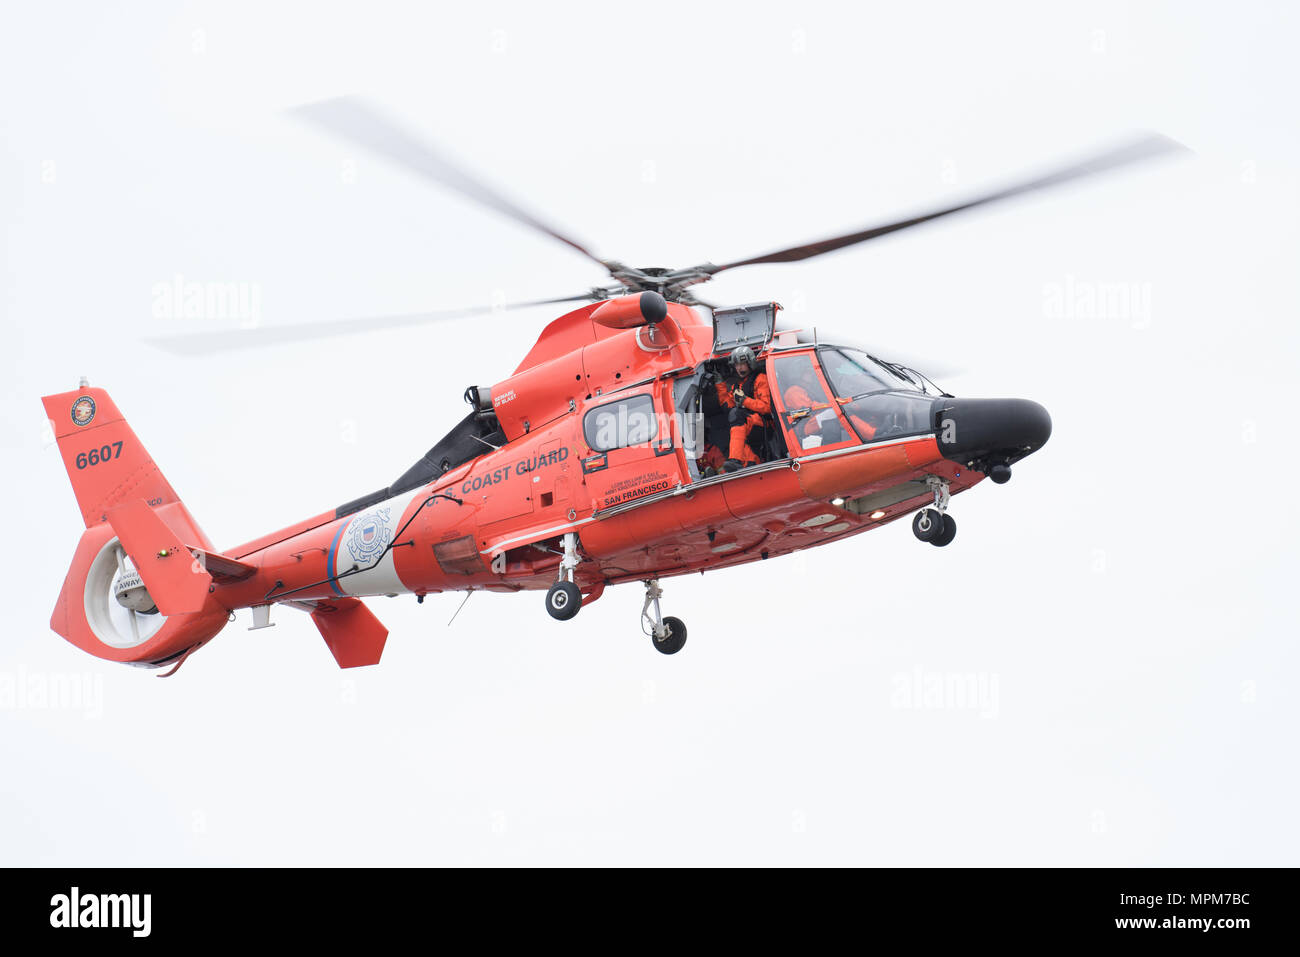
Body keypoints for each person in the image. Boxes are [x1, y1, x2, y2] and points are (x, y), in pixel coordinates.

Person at [715, 345, 771, 472]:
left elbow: (767, 407)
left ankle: (735, 460)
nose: (739, 368)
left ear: (750, 363)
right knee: (733, 418)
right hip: (747, 423)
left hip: (763, 423)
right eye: (736, 365)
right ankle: (748, 463)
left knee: (737, 416)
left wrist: (745, 400)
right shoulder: (737, 385)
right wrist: (720, 385)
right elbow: (728, 407)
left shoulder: (760, 379)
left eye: (742, 364)